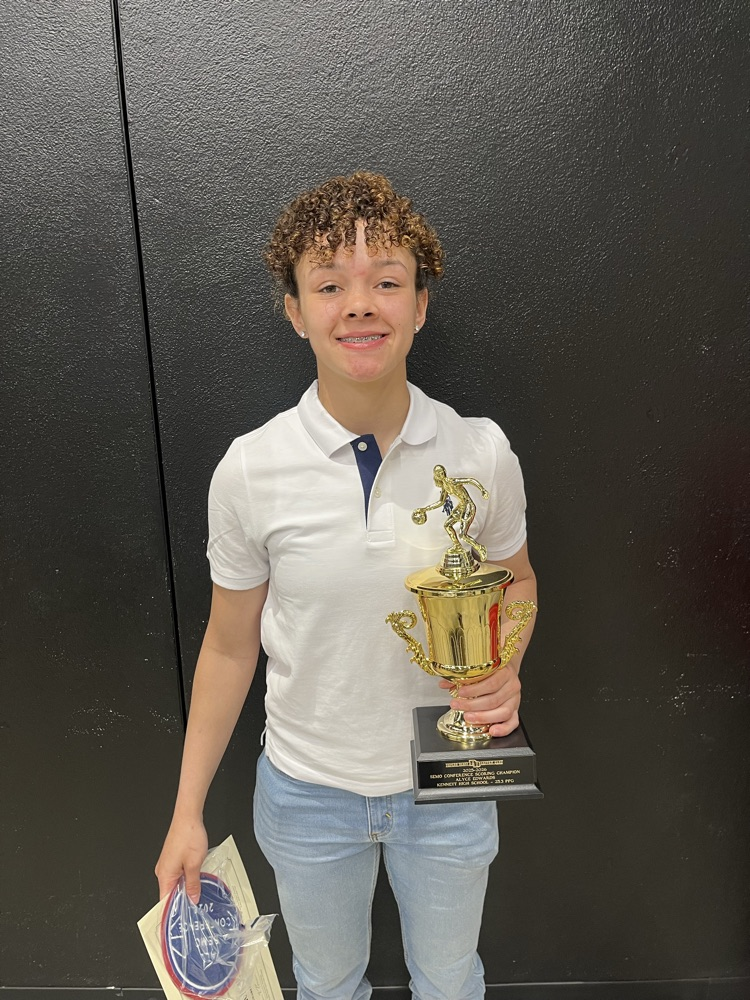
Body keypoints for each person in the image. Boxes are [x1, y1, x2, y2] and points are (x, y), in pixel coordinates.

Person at [155, 170, 537, 1000]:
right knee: (327, 985)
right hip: (307, 792)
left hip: (450, 779)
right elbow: (228, 648)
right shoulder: (251, 470)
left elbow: (516, 582)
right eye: (330, 285)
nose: (360, 305)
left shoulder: (479, 453)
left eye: (386, 282)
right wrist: (187, 812)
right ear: (296, 311)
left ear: (420, 305)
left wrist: (504, 666)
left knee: (450, 981)